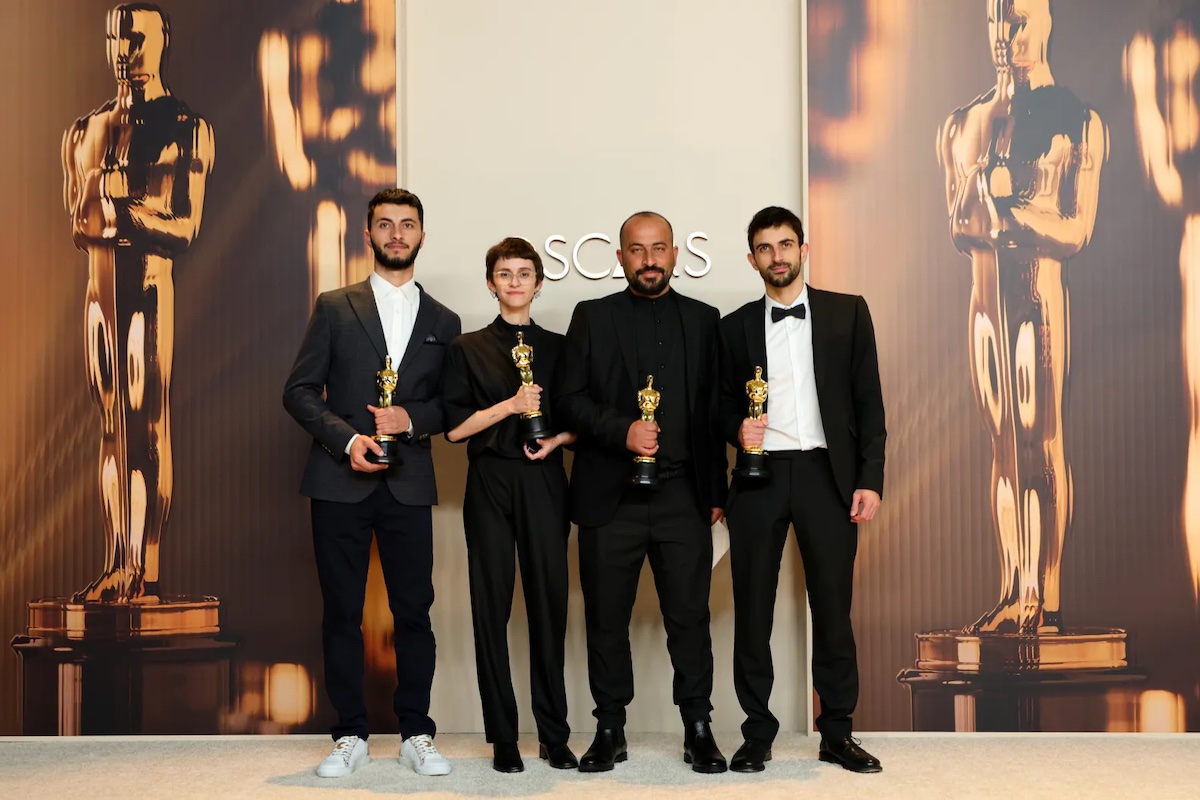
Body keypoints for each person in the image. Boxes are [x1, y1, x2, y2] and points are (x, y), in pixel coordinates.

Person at [938, 0, 1105, 634]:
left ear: (1046, 19)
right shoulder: (963, 123)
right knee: (1002, 444)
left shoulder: (1075, 118)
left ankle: (1043, 596)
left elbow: (1076, 230)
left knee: (1038, 439)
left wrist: (1006, 212)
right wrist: (991, 210)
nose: (1005, 33)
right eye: (996, 19)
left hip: (1038, 297)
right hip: (984, 303)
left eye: (1018, 18)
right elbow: (959, 227)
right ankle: (1013, 586)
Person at [283, 188, 460, 778]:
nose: (396, 234)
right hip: (339, 482)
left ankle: (416, 733)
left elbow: (450, 406)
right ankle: (350, 734)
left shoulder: (445, 321)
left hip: (409, 483)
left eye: (407, 224)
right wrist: (347, 440)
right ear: (368, 234)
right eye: (385, 224)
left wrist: (410, 419)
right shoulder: (335, 306)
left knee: (415, 613)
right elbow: (299, 392)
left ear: (421, 236)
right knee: (342, 612)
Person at [555, 211, 728, 774]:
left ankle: (698, 728)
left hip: (684, 495)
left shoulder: (705, 320)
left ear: (675, 254)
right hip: (611, 497)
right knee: (606, 619)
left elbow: (712, 413)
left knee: (690, 618)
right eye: (637, 249)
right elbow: (568, 401)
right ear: (621, 257)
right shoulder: (592, 316)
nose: (649, 260)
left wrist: (717, 493)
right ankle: (609, 729)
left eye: (658, 249)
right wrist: (621, 430)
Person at [718, 206, 885, 774]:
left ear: (803, 249)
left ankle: (836, 732)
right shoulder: (733, 326)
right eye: (765, 248)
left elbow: (870, 403)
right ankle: (757, 733)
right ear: (752, 259)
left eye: (786, 244)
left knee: (832, 609)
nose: (777, 256)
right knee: (752, 611)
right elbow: (716, 409)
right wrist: (735, 430)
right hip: (757, 477)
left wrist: (870, 479)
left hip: (826, 476)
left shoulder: (847, 312)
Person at [62, 2, 215, 602]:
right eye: (116, 39)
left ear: (161, 40)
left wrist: (120, 207)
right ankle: (115, 560)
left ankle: (140, 565)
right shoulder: (86, 129)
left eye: (136, 38)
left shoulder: (185, 125)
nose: (123, 51)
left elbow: (184, 227)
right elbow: (79, 223)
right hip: (99, 288)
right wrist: (114, 211)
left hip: (149, 283)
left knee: (144, 418)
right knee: (110, 422)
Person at [440, 237, 577, 774]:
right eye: (505, 273)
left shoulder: (562, 347)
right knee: (489, 607)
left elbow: (581, 420)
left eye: (524, 273)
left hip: (544, 479)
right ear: (491, 283)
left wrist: (557, 439)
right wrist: (512, 405)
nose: (515, 281)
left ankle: (554, 735)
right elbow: (455, 429)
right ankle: (502, 737)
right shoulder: (466, 348)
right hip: (490, 480)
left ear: (538, 283)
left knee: (549, 605)